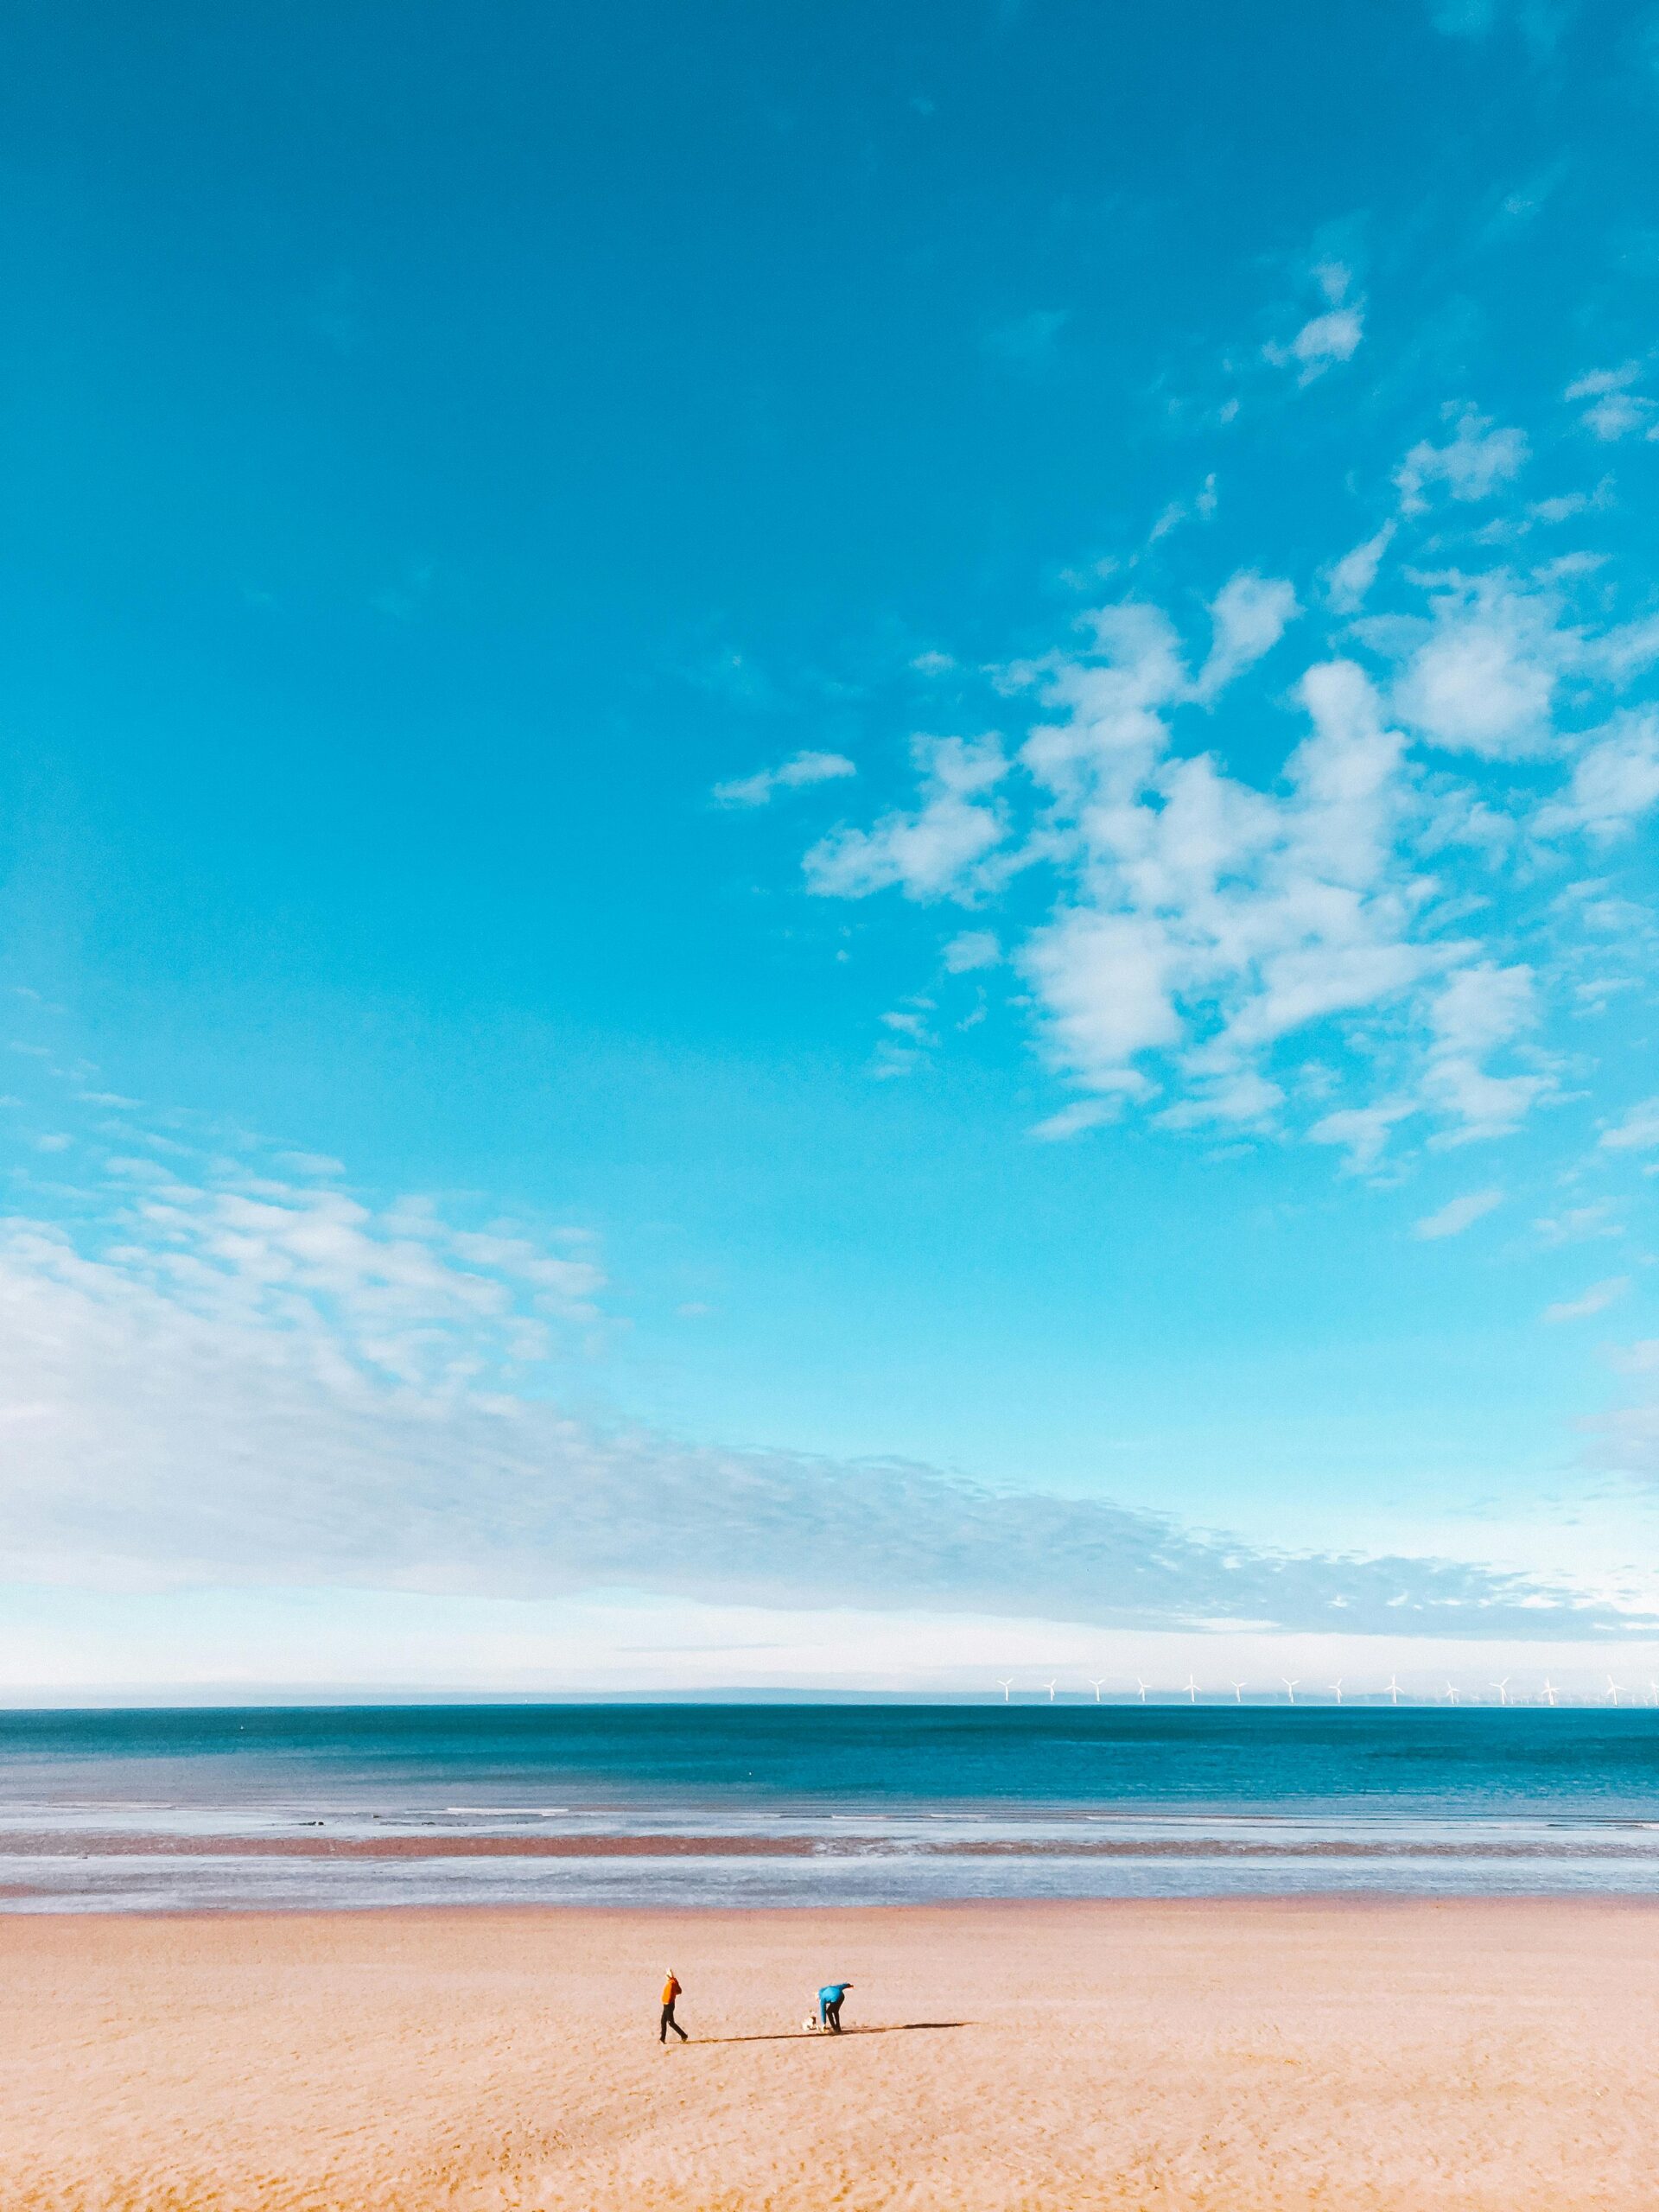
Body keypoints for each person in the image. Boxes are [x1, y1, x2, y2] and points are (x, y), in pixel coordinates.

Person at [659, 1968, 688, 2044]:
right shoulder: (673, 1982)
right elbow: (679, 1991)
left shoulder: (671, 1984)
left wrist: (669, 1999)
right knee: (663, 2021)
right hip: (667, 2005)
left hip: (669, 2005)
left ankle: (683, 2035)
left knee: (671, 2023)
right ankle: (662, 2039)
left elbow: (673, 1993)